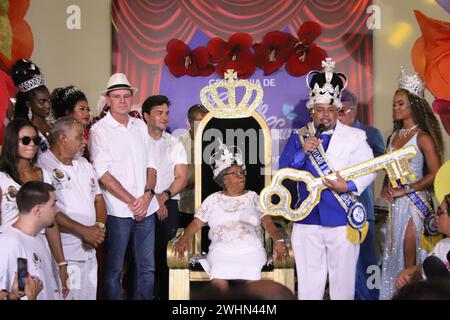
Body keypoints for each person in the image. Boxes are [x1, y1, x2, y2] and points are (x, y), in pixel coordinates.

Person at [279, 58, 376, 300]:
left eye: (331, 110)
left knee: (342, 284)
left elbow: (369, 169)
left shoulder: (355, 137)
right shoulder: (299, 137)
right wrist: (303, 152)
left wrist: (349, 186)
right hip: (307, 218)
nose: (326, 115)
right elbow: (284, 170)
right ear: (312, 111)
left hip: (342, 217)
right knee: (309, 285)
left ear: (337, 111)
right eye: (320, 110)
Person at [173, 142, 288, 293]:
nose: (241, 177)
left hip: (251, 250)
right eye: (236, 174)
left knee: (252, 283)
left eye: (242, 173)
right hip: (222, 251)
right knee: (219, 278)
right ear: (224, 180)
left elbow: (266, 220)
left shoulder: (253, 197)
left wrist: (278, 240)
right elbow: (196, 223)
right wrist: (183, 239)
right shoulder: (213, 199)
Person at [89, 73, 159, 300]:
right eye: (117, 96)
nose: (122, 100)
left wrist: (147, 196)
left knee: (147, 268)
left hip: (146, 209)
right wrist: (132, 201)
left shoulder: (141, 126)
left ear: (131, 99)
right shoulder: (100, 130)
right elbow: (103, 174)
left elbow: (152, 165)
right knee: (114, 270)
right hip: (118, 211)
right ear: (108, 100)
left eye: (126, 96)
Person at [380, 67, 444, 300]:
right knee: (394, 252)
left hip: (415, 203)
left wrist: (406, 189)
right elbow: (390, 169)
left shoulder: (423, 137)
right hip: (395, 204)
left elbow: (436, 172)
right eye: (394, 104)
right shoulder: (393, 137)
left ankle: (413, 295)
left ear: (414, 105)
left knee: (410, 253)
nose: (396, 108)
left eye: (401, 104)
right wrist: (387, 188)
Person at [38, 117, 107, 299]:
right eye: (78, 137)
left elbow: (99, 201)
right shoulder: (44, 165)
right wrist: (83, 231)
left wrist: (98, 229)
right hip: (66, 253)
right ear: (62, 139)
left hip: (90, 250)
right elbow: (50, 211)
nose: (84, 141)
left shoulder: (84, 164)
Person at [0, 119, 69, 297]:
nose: (31, 145)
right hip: (12, 251)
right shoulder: (2, 178)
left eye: (35, 140)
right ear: (11, 142)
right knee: (21, 292)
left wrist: (61, 263)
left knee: (45, 293)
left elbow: (51, 222)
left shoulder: (44, 174)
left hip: (38, 245)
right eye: (25, 140)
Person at [339, 90, 385, 300]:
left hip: (362, 205)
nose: (339, 116)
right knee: (342, 260)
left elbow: (381, 162)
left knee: (366, 258)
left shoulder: (370, 133)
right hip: (337, 208)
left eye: (343, 111)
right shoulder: (330, 136)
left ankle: (370, 297)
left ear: (354, 110)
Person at [142, 95, 188, 300]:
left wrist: (163, 197)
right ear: (146, 116)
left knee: (165, 257)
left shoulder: (174, 143)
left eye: (167, 113)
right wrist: (152, 201)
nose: (165, 117)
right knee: (142, 259)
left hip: (168, 201)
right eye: (159, 113)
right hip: (140, 202)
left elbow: (182, 178)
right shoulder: (137, 141)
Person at [0, 181, 61, 299]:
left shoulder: (38, 238)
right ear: (37, 210)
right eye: (53, 205)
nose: (56, 210)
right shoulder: (9, 244)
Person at [395, 194, 450, 289]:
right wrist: (408, 273)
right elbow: (427, 268)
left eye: (440, 212)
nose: (436, 217)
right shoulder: (443, 245)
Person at [178, 104, 209, 228]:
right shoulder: (178, 143)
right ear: (190, 122)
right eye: (201, 121)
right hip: (186, 206)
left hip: (209, 205)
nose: (205, 125)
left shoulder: (214, 141)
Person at [11, 59, 52, 152]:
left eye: (49, 101)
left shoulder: (53, 125)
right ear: (29, 104)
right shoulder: (24, 132)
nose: (48, 105)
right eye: (42, 102)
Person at [50, 86, 91, 154]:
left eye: (88, 110)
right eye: (82, 109)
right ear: (68, 112)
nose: (87, 113)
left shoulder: (88, 131)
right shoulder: (59, 133)